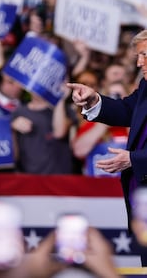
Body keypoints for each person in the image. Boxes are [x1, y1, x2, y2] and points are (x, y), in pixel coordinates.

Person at [67, 29, 147, 266]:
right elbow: (126, 110)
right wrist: (94, 100)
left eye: (144, 55)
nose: (139, 62)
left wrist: (135, 159)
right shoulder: (146, 85)